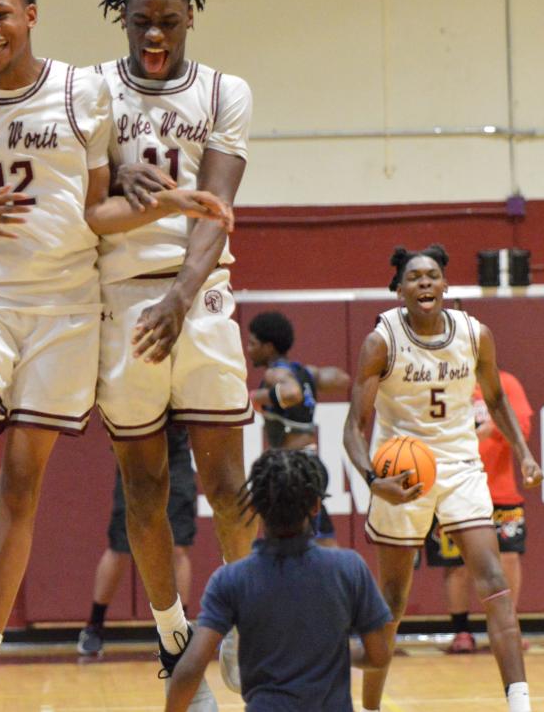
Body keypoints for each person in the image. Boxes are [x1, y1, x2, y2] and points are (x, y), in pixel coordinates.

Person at [0, 0, 229, 710]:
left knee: (21, 486)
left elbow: (95, 210)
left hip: (65, 309)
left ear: (30, 15)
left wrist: (171, 199)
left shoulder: (78, 91)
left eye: (1, 14)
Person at [92, 0, 253, 700]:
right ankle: (171, 639)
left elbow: (216, 206)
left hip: (200, 295)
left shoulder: (224, 90)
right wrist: (112, 172)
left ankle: (248, 630)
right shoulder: (89, 90)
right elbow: (79, 190)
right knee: (144, 488)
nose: (153, 37)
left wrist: (180, 299)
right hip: (121, 296)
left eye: (167, 23)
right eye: (140, 24)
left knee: (225, 485)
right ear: (120, 20)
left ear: (188, 18)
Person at [343, 244, 542, 712]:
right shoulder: (381, 341)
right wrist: (374, 480)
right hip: (401, 472)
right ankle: (369, 706)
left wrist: (525, 453)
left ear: (446, 285)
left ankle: (521, 704)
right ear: (399, 290)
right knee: (391, 603)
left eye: (433, 275)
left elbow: (495, 400)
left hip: (459, 466)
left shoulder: (476, 335)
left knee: (494, 581)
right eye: (414, 277)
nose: (426, 282)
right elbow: (354, 427)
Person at [164, 450, 391, 711]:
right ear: (316, 506)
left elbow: (191, 666)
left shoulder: (231, 579)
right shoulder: (349, 568)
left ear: (253, 507)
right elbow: (379, 656)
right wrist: (332, 653)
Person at [424, 369, 533, 653]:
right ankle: (461, 631)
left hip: (500, 490)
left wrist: (491, 427)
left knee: (508, 557)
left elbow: (521, 428)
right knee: (457, 563)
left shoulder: (505, 383)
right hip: (452, 487)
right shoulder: (442, 382)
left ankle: (508, 626)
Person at [78, 424, 197, 656]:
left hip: (176, 455)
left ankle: (179, 631)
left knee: (178, 548)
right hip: (134, 454)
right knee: (120, 547)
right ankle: (94, 626)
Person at [246, 310, 351, 546]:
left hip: (292, 470)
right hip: (311, 464)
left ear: (268, 347)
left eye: (253, 343)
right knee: (321, 541)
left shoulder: (275, 373)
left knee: (286, 542)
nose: (248, 349)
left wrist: (256, 396)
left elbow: (291, 393)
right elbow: (342, 379)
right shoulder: (305, 372)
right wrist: (309, 381)